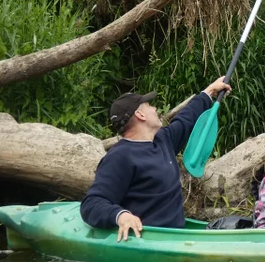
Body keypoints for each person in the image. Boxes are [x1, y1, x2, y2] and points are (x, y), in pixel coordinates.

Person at [80, 76, 232, 240]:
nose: (154, 109)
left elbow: (186, 119)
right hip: (148, 241)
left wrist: (209, 92)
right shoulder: (120, 157)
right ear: (140, 115)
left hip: (177, 237)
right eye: (149, 106)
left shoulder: (163, 140)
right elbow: (92, 204)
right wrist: (121, 215)